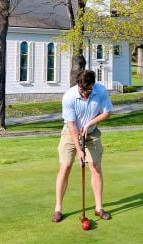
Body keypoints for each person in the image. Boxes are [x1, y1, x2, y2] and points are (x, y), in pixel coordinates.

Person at [52, 70, 113, 222]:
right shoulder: (69, 97)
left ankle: (98, 208)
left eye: (88, 90)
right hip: (70, 133)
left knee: (96, 167)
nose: (85, 93)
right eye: (82, 90)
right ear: (78, 84)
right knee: (65, 168)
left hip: (91, 133)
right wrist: (79, 150)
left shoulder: (101, 91)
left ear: (94, 84)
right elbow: (71, 125)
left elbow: (107, 112)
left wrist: (90, 123)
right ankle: (58, 209)